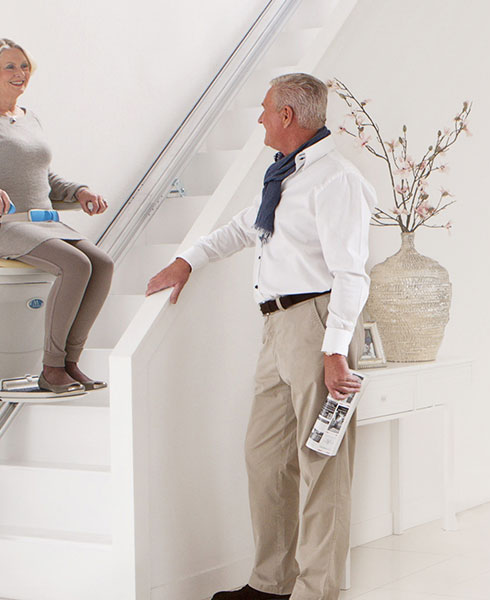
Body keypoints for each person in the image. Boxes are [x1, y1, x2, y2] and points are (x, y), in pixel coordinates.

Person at [147, 73, 376, 600]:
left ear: (288, 116)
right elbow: (243, 227)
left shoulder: (334, 179)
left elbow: (352, 273)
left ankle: (319, 592)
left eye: (265, 109)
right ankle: (271, 584)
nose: (260, 118)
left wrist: (336, 349)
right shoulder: (286, 176)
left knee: (322, 462)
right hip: (276, 327)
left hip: (318, 325)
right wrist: (187, 260)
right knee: (265, 456)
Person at [0, 38, 113, 393]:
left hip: (43, 224)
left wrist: (79, 192)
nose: (20, 73)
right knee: (76, 265)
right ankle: (51, 368)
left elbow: (44, 177)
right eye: (10, 66)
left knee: (101, 264)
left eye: (24, 65)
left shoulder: (30, 119)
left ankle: (70, 362)